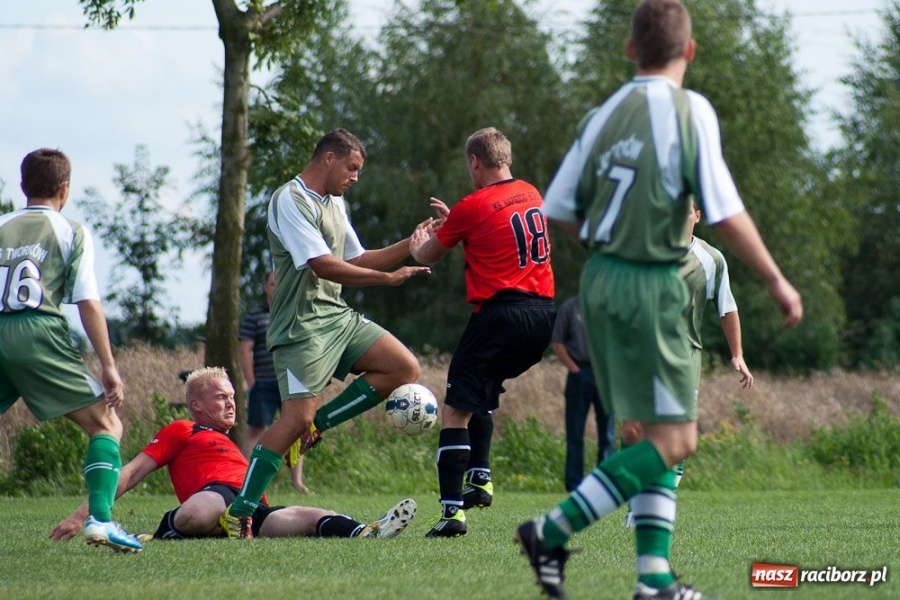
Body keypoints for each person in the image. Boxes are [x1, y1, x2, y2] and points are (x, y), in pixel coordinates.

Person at [514, 2, 803, 598]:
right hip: (654, 282)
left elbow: (557, 210)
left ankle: (653, 580)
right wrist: (775, 278)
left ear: (629, 51)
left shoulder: (603, 115)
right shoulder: (690, 109)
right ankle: (550, 529)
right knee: (676, 442)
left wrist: (611, 237)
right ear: (689, 52)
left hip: (601, 283)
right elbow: (723, 210)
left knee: (652, 437)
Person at [221, 128, 435, 539]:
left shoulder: (336, 202)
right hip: (300, 327)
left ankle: (316, 424)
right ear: (328, 159)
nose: (355, 177)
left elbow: (357, 257)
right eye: (352, 168)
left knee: (403, 367)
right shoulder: (290, 199)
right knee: (293, 419)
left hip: (336, 316)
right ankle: (239, 511)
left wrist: (412, 242)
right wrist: (387, 280)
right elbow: (322, 264)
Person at [49, 367, 416, 542]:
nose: (231, 402)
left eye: (232, 396)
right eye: (220, 397)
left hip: (250, 507)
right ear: (196, 405)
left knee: (309, 515)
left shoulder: (234, 443)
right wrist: (83, 515)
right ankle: (163, 533)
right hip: (214, 496)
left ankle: (366, 531)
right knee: (199, 512)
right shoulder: (183, 429)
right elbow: (130, 472)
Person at [410, 127, 557, 538]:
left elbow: (428, 255)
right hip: (543, 316)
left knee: (455, 407)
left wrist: (420, 241)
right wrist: (455, 222)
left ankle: (452, 513)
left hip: (501, 313)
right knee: (480, 394)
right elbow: (494, 229)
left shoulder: (472, 205)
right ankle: (480, 477)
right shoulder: (532, 193)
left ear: (475, 161)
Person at [0, 148, 143, 553]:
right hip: (36, 330)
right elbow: (87, 301)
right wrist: (109, 366)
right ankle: (100, 520)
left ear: (23, 185)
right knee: (106, 425)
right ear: (65, 188)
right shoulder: (70, 231)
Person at [622, 197, 754, 527]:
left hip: (685, 355)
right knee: (634, 430)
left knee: (678, 437)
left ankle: (653, 506)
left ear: (697, 216)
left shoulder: (712, 259)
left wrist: (737, 354)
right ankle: (639, 498)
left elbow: (727, 308)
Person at [239, 269, 311, 494]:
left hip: (291, 382)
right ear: (266, 287)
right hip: (264, 382)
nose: (277, 287)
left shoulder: (295, 313)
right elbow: (245, 350)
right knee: (255, 430)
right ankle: (241, 478)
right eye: (272, 283)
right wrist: (251, 383)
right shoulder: (254, 316)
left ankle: (297, 482)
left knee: (297, 429)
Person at [550, 295, 615, 493]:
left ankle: (604, 483)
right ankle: (574, 484)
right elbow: (557, 341)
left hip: (606, 374)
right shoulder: (570, 307)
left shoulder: (612, 307)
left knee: (608, 433)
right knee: (575, 432)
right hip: (580, 372)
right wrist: (574, 369)